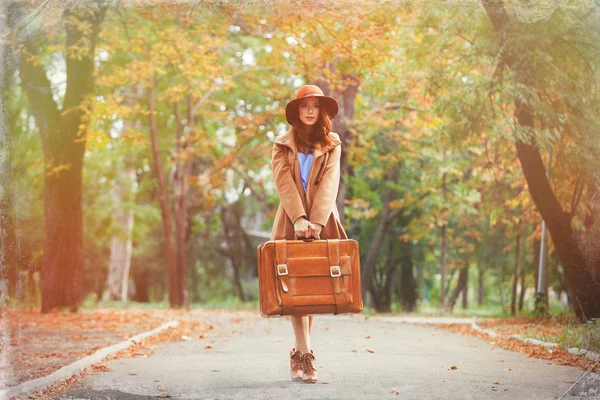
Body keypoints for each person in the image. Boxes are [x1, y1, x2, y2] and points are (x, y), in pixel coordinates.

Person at [269, 84, 348, 383]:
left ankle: (299, 354)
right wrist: (300, 218)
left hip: (323, 221)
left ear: (322, 110)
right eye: (305, 106)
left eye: (315, 105)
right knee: (294, 286)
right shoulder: (281, 144)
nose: (310, 110)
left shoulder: (332, 143)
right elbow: (283, 183)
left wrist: (315, 220)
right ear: (296, 111)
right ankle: (307, 357)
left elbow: (330, 182)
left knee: (313, 287)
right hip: (291, 221)